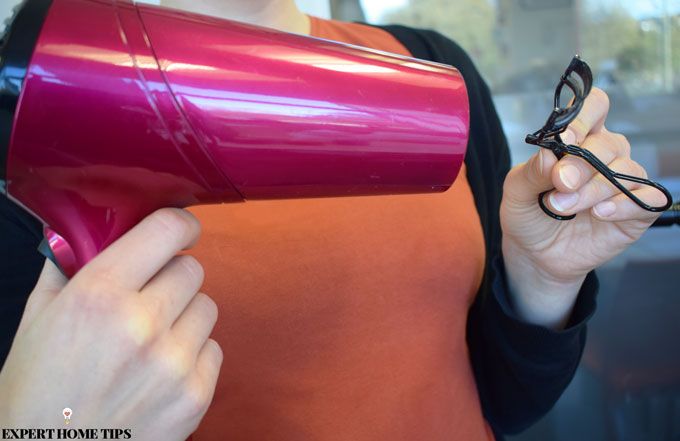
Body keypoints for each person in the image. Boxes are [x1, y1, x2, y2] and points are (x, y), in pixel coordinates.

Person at [0, 1, 667, 440]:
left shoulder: (434, 67)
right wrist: (49, 427)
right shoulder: (37, 103)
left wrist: (541, 276)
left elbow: (506, 402)